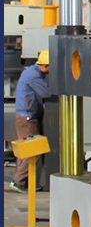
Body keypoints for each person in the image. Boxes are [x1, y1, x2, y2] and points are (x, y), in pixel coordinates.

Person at [12, 50, 51, 193]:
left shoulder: (33, 72)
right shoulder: (34, 76)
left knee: (27, 150)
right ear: (45, 66)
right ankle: (19, 182)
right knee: (33, 150)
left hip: (26, 117)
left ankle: (23, 182)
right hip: (27, 119)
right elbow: (47, 93)